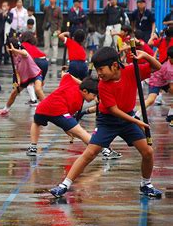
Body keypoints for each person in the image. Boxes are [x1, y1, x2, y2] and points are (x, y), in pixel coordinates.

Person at [49, 47, 162, 198]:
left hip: (127, 119)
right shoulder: (103, 84)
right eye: (97, 70)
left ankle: (146, 184)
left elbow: (157, 67)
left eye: (101, 69)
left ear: (115, 65)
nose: (99, 73)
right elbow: (114, 110)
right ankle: (64, 185)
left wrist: (146, 55)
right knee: (90, 153)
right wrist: (137, 121)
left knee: (148, 152)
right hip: (108, 121)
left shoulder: (131, 71)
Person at [26, 73, 121, 159]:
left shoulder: (69, 82)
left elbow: (66, 75)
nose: (94, 98)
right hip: (59, 110)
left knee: (36, 123)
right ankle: (105, 150)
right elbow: (67, 122)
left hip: (43, 107)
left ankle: (33, 147)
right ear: (85, 91)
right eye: (94, 95)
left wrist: (84, 84)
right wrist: (68, 129)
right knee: (81, 133)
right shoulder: (77, 103)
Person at [0, 37, 45, 115]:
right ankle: (6, 109)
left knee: (38, 89)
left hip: (35, 74)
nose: (6, 50)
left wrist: (15, 50)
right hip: (25, 78)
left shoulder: (22, 52)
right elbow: (17, 71)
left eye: (7, 48)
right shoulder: (13, 58)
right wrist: (18, 80)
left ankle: (47, 107)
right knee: (14, 93)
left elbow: (25, 53)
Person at [138, 46, 173, 125]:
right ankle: (137, 115)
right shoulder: (169, 68)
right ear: (170, 58)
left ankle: (171, 115)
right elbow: (171, 87)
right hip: (156, 81)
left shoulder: (167, 63)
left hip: (164, 81)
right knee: (151, 100)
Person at [41, 0, 63, 64]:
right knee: (46, 44)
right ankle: (46, 57)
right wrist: (42, 1)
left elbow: (60, 19)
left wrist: (59, 29)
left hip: (55, 29)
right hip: (47, 28)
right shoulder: (47, 8)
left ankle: (54, 58)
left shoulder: (58, 9)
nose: (51, 0)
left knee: (54, 44)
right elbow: (42, 9)